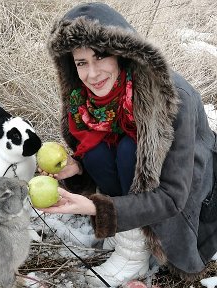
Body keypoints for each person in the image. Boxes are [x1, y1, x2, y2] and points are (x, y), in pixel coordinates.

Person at [39, 2, 217, 287]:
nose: (92, 74)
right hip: (143, 182)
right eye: (81, 63)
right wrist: (77, 170)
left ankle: (137, 251)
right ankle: (131, 239)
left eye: (100, 57)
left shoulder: (173, 98)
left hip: (188, 189)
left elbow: (173, 197)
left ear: (122, 54)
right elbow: (103, 159)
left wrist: (97, 208)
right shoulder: (87, 104)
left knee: (126, 150)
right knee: (94, 153)